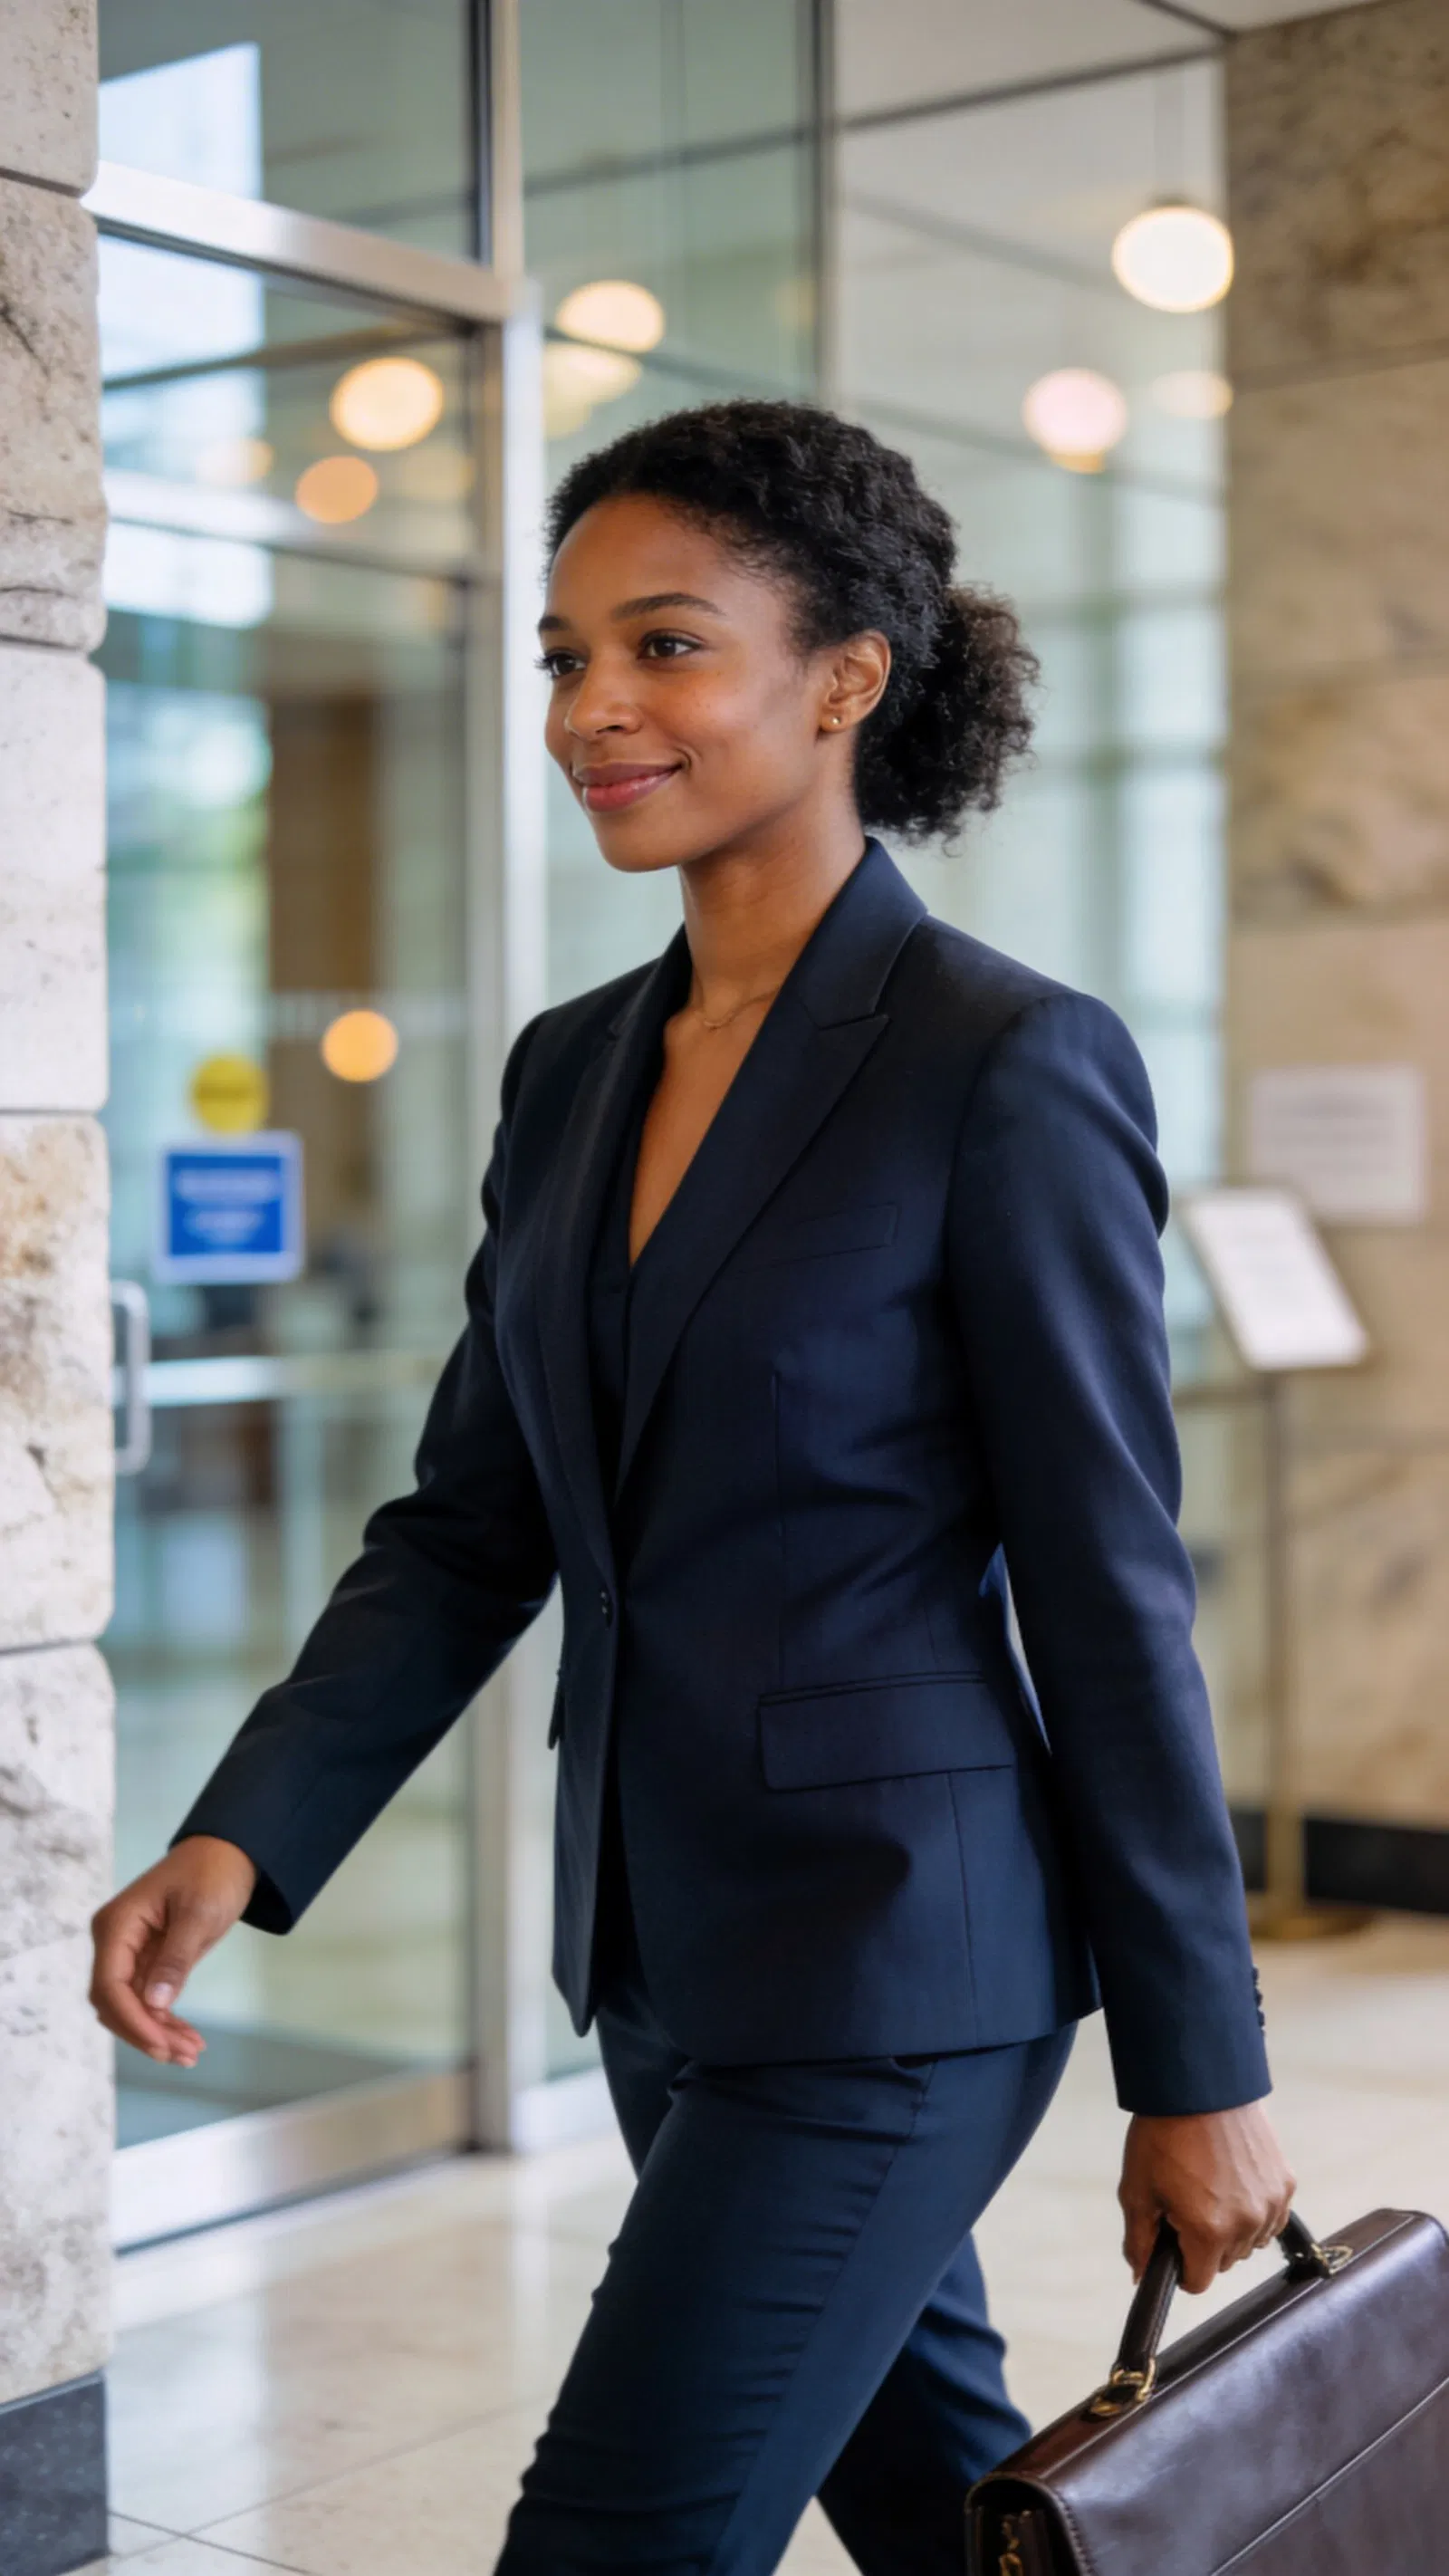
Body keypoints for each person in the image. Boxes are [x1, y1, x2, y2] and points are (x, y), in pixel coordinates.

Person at [91, 400, 1294, 2576]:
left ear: (845, 678)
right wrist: (245, 1829)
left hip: (895, 1975)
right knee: (948, 2509)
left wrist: (1194, 2064)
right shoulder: (569, 1070)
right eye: (563, 656)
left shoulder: (1000, 1061)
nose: (591, 710)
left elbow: (1108, 1592)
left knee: (616, 2536)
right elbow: (476, 1522)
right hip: (654, 1959)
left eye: (663, 647)